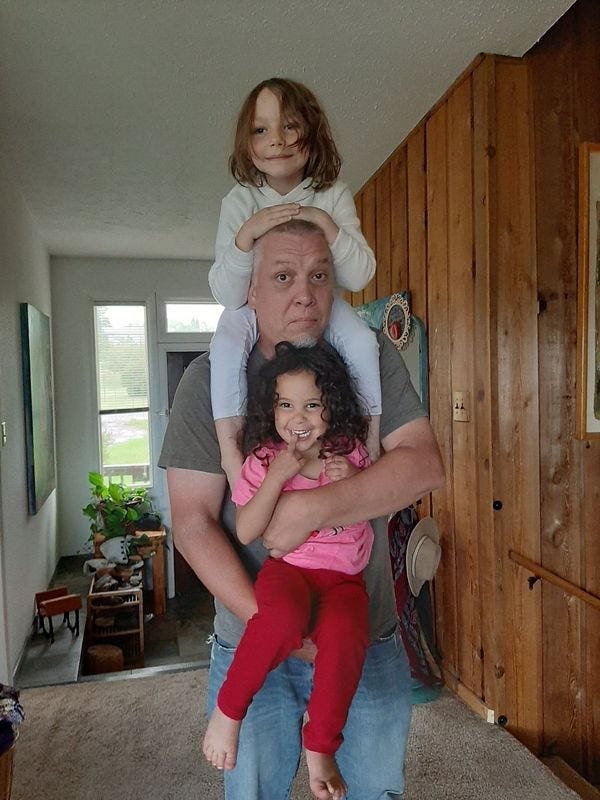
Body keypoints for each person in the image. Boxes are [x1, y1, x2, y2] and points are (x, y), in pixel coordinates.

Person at [159, 218, 445, 800]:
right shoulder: (209, 380)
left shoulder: (369, 364)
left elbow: (424, 467)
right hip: (254, 633)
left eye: (319, 276)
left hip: (362, 632)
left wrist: (315, 509)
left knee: (371, 792)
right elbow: (191, 523)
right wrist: (279, 629)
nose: (304, 295)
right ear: (251, 290)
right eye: (283, 276)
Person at [203, 341, 374, 800]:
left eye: (312, 405)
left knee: (347, 637)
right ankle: (228, 710)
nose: (298, 417)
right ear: (271, 409)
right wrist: (278, 475)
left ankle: (320, 745)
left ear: (332, 406)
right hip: (290, 573)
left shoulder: (351, 452)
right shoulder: (264, 459)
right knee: (278, 621)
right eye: (286, 405)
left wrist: (355, 481)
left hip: (345, 581)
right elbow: (247, 530)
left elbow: (375, 503)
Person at [208, 77, 381, 489]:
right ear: (246, 142)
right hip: (251, 305)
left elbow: (359, 275)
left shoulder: (332, 194)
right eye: (261, 129)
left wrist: (325, 223)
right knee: (225, 345)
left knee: (363, 341)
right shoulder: (239, 201)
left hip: (324, 306)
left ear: (312, 131)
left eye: (289, 126)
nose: (277, 140)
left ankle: (370, 441)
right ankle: (231, 456)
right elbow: (228, 294)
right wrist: (246, 235)